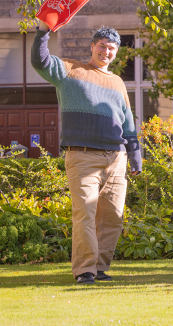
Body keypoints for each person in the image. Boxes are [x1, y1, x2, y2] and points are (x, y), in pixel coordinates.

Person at [31, 21, 142, 285]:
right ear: (93, 46)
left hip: (116, 158)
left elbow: (128, 123)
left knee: (113, 218)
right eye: (102, 46)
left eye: (112, 48)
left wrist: (135, 155)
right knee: (85, 215)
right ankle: (85, 270)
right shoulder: (69, 70)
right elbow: (39, 61)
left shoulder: (117, 83)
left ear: (116, 53)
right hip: (82, 156)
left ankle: (100, 267)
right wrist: (43, 31)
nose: (106, 51)